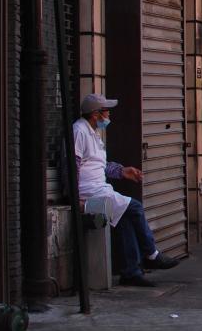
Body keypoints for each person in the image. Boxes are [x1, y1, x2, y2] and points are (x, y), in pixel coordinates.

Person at [73, 93, 179, 287]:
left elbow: (97, 165)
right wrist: (76, 200)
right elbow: (73, 166)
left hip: (100, 189)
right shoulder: (79, 132)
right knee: (135, 208)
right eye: (106, 112)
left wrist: (122, 171)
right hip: (89, 194)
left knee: (125, 220)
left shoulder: (93, 133)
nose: (109, 116)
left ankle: (131, 271)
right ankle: (151, 254)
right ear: (96, 114)